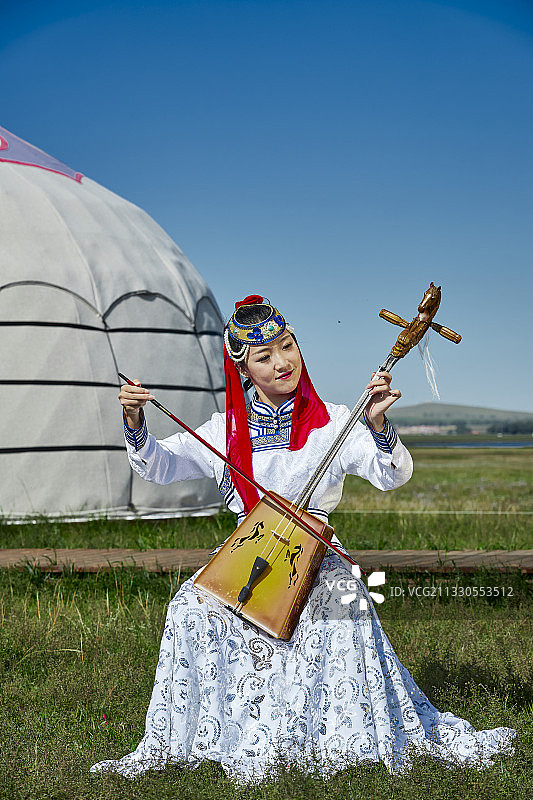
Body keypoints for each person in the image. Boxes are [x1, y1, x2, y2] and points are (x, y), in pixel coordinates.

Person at [91, 295, 516, 782]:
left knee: (336, 610)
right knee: (189, 608)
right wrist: (134, 421)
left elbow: (391, 475)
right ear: (243, 368)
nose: (281, 362)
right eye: (264, 356)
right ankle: (216, 736)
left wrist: (376, 424)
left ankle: (335, 738)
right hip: (248, 550)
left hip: (315, 555)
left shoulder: (334, 421)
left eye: (287, 347)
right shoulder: (224, 429)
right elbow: (158, 466)